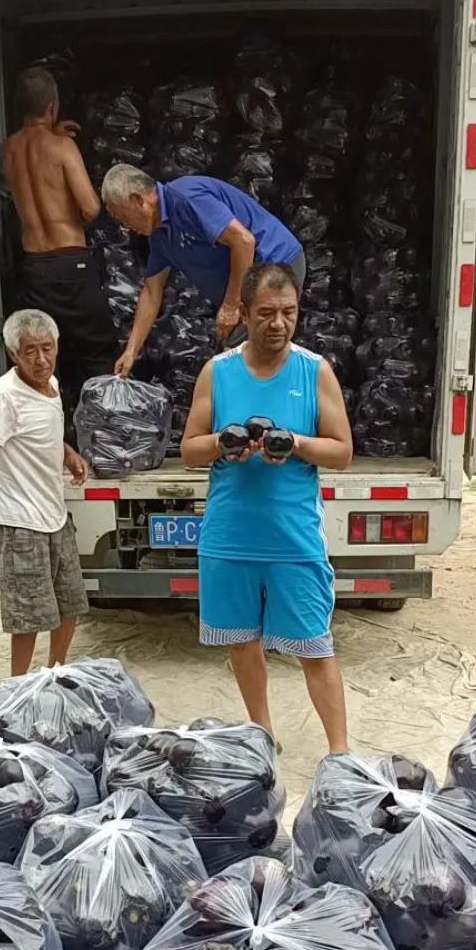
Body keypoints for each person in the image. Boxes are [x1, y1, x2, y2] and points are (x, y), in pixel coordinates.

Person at [182, 263, 352, 755]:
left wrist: (296, 442)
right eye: (266, 313)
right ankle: (263, 736)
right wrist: (221, 442)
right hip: (230, 536)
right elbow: (190, 450)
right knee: (241, 641)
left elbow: (341, 451)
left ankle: (340, 754)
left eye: (288, 313)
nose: (278, 323)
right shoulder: (218, 371)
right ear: (244, 313)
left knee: (316, 650)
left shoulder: (314, 370)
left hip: (293, 539)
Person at [0, 309, 89, 676]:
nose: (41, 359)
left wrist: (67, 452)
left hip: (55, 518)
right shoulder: (5, 396)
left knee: (70, 604)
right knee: (28, 619)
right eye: (30, 351)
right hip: (21, 526)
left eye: (47, 348)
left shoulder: (53, 385)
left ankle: (54, 676)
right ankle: (18, 687)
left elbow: (40, 431)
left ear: (57, 347)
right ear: (14, 355)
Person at [101, 165, 305, 376]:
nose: (126, 227)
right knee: (241, 359)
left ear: (138, 200)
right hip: (247, 287)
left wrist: (231, 306)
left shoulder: (186, 198)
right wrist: (131, 351)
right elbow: (152, 291)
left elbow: (243, 241)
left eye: (124, 217)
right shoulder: (159, 236)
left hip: (275, 263)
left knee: (248, 359)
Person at [3, 66, 119, 418]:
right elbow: (90, 206)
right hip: (71, 261)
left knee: (48, 356)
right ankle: (103, 433)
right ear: (52, 107)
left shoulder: (8, 148)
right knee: (96, 352)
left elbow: (31, 157)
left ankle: (52, 430)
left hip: (34, 267)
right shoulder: (62, 147)